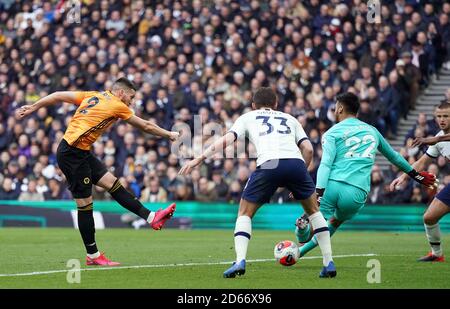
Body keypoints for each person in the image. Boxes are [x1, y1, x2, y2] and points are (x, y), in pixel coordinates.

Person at [16, 77, 179, 266]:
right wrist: (169, 134)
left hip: (80, 151)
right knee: (85, 205)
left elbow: (59, 95)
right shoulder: (117, 105)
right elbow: (146, 126)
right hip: (72, 154)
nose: (131, 102)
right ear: (121, 93)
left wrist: (34, 106)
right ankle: (93, 255)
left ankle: (152, 217)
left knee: (112, 183)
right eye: (131, 97)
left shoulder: (93, 96)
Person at [179, 87, 336, 278]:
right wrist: (300, 175)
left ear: (253, 105)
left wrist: (199, 158)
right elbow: (308, 149)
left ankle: (240, 261)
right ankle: (328, 263)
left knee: (244, 213)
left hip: (269, 164)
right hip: (296, 164)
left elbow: (225, 141)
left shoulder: (248, 117)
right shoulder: (290, 119)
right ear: (276, 104)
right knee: (314, 212)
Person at [294, 93, 437, 259]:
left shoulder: (331, 133)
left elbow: (325, 164)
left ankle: (301, 229)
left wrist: (318, 193)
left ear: (339, 108)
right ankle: (299, 253)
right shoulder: (372, 131)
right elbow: (395, 157)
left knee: (310, 227)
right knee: (335, 221)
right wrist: (416, 176)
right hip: (357, 191)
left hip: (332, 186)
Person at [391, 101, 450, 262]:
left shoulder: (438, 139)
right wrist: (403, 177)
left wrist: (434, 140)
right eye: (439, 116)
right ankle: (436, 254)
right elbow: (422, 161)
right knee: (429, 217)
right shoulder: (438, 138)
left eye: (446, 116)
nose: (442, 119)